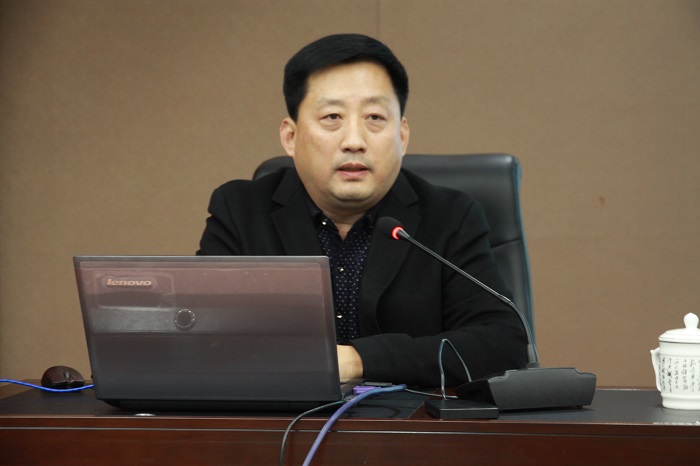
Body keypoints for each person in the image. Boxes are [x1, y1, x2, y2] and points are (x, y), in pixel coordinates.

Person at [197, 33, 527, 387]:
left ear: (402, 136)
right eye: (332, 117)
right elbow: (200, 338)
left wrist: (358, 360)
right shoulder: (241, 212)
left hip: (414, 419)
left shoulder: (450, 217)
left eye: (374, 117)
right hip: (279, 417)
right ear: (290, 137)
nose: (354, 141)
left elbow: (502, 342)